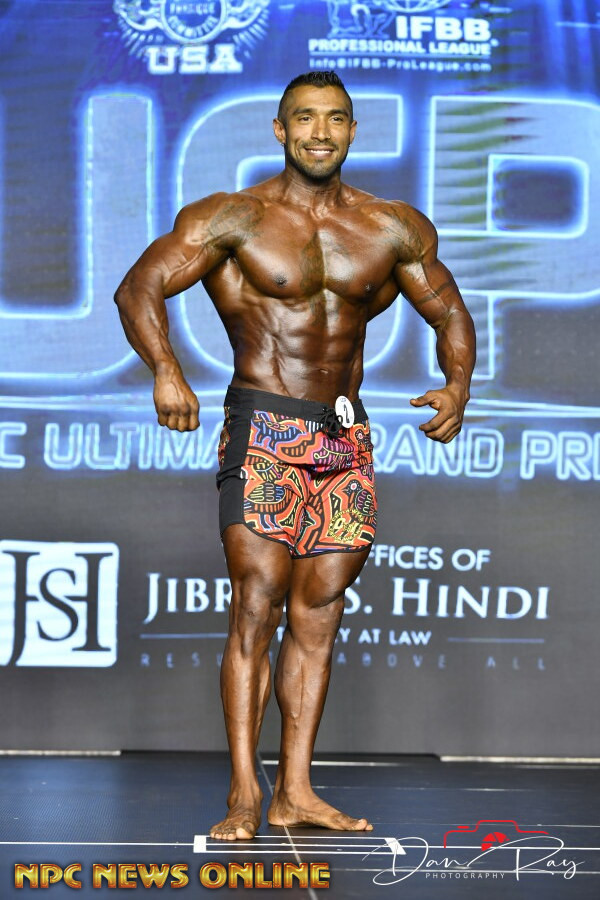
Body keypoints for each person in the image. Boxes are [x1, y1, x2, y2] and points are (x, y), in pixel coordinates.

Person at [114, 71, 476, 842]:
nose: (320, 132)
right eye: (305, 118)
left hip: (343, 436)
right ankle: (245, 791)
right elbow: (139, 287)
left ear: (352, 131)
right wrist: (166, 369)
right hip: (264, 426)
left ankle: (296, 791)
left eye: (335, 119)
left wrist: (458, 385)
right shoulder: (233, 217)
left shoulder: (391, 226)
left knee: (320, 613)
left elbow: (447, 309)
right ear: (280, 130)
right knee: (258, 600)